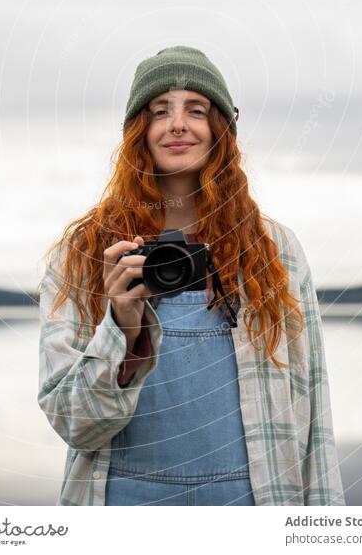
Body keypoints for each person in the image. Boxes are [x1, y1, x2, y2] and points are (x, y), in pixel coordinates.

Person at [37, 45, 345, 506]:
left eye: (195, 110)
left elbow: (315, 417)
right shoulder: (83, 253)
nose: (177, 123)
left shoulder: (276, 252)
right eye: (160, 111)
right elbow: (73, 424)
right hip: (123, 504)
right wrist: (120, 326)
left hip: (251, 500)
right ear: (138, 133)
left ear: (221, 129)